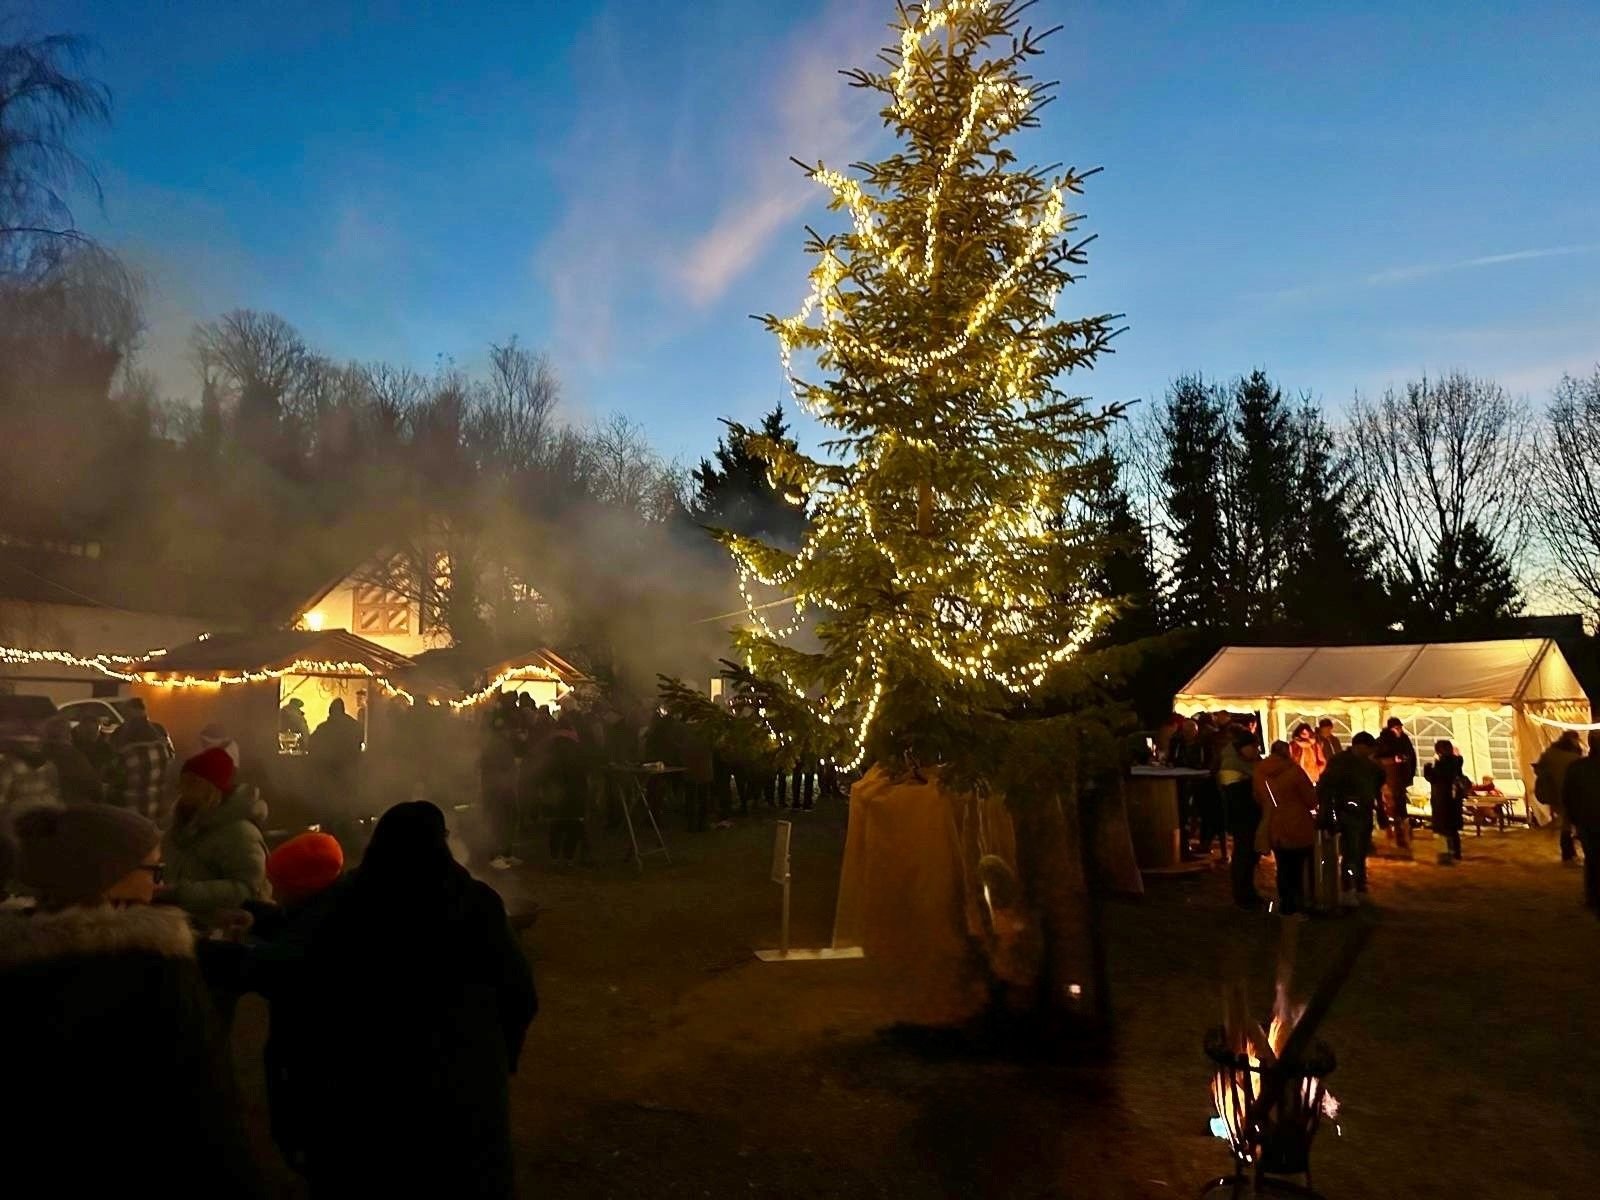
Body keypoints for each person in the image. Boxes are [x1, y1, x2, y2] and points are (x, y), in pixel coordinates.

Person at [0, 804, 262, 1196]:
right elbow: (205, 1108)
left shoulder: (16, 956)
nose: (159, 885)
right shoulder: (155, 969)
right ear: (104, 876)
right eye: (154, 871)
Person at [291, 801, 537, 1198]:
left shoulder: (345, 901)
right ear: (441, 843)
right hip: (461, 1084)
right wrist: (502, 1053)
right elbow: (519, 991)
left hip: (366, 1088)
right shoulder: (476, 903)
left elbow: (310, 992)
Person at [162, 747, 269, 923]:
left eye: (191, 783)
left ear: (211, 789)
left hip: (218, 928)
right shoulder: (179, 824)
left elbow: (248, 888)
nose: (181, 789)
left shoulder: (240, 833)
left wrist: (182, 893)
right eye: (182, 782)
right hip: (179, 921)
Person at [1318, 731, 1385, 902]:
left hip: (1365, 812)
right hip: (1347, 813)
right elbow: (1325, 787)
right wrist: (1328, 812)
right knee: (1351, 851)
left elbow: (1376, 788)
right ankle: (1348, 887)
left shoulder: (1370, 765)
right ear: (1361, 746)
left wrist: (1381, 810)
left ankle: (1360, 884)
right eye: (1369, 749)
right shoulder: (1341, 762)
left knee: (1361, 851)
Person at [1255, 740, 1317, 916]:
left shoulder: (1260, 771)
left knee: (1283, 867)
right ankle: (1298, 905)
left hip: (1274, 824)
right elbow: (1311, 800)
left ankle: (1286, 904)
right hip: (1297, 824)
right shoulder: (1294, 771)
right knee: (1298, 869)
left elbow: (1258, 797)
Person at [105, 703, 174, 819]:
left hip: (130, 813)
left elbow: (109, 777)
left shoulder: (127, 755)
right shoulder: (162, 751)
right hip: (154, 809)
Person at [1218, 733, 1263, 907]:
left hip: (1252, 815)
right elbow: (1234, 794)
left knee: (1252, 856)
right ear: (1242, 748)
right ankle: (1242, 895)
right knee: (1243, 856)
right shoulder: (1231, 765)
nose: (1256, 750)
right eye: (1253, 747)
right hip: (1242, 817)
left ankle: (1249, 890)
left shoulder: (1251, 762)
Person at [544, 715, 589, 866]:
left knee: (556, 825)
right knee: (574, 824)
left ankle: (554, 856)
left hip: (555, 790)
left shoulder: (550, 746)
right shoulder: (577, 747)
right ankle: (568, 857)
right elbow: (582, 769)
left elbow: (544, 769)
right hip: (574, 790)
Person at [1563, 733, 1600, 914]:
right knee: (1593, 860)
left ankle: (1593, 897)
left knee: (1592, 860)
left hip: (1587, 820)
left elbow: (1568, 795)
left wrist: (1573, 818)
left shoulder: (1577, 767)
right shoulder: (1577, 767)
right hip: (1588, 820)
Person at [1535, 730, 1584, 862]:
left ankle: (1569, 851)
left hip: (1557, 792)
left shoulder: (1550, 753)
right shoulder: (1572, 757)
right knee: (1568, 822)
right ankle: (1568, 852)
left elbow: (1540, 769)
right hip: (1568, 792)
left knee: (1566, 821)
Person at [1374, 717, 1417, 852]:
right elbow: (1377, 759)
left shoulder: (1404, 740)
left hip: (1401, 779)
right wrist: (1393, 760)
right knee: (1391, 808)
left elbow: (1412, 756)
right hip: (1388, 780)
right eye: (1396, 728)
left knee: (1400, 808)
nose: (1399, 730)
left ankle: (1403, 836)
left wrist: (1409, 774)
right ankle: (1393, 833)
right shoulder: (1382, 741)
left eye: (1400, 728)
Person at [40, 717, 102, 805]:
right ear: (67, 734)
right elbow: (94, 787)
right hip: (74, 809)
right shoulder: (73, 756)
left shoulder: (40, 754)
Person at [1424, 739, 1466, 863]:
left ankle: (1445, 854)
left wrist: (1427, 768)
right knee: (1453, 829)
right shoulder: (1457, 762)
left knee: (1443, 829)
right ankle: (1456, 853)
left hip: (1442, 800)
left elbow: (1433, 778)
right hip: (1454, 800)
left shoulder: (1441, 764)